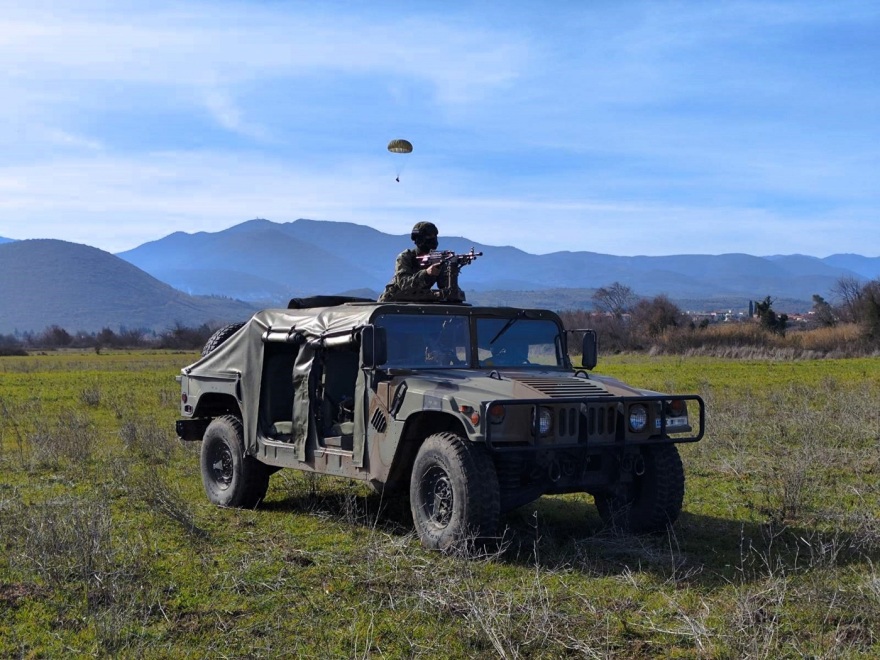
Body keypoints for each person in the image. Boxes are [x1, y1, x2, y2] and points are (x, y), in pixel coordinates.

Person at [378, 222, 445, 302]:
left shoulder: (436, 259)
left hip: (418, 303)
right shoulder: (405, 257)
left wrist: (451, 270)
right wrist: (426, 273)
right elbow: (404, 285)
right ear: (419, 239)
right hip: (393, 303)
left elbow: (445, 287)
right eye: (429, 236)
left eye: (435, 236)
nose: (433, 238)